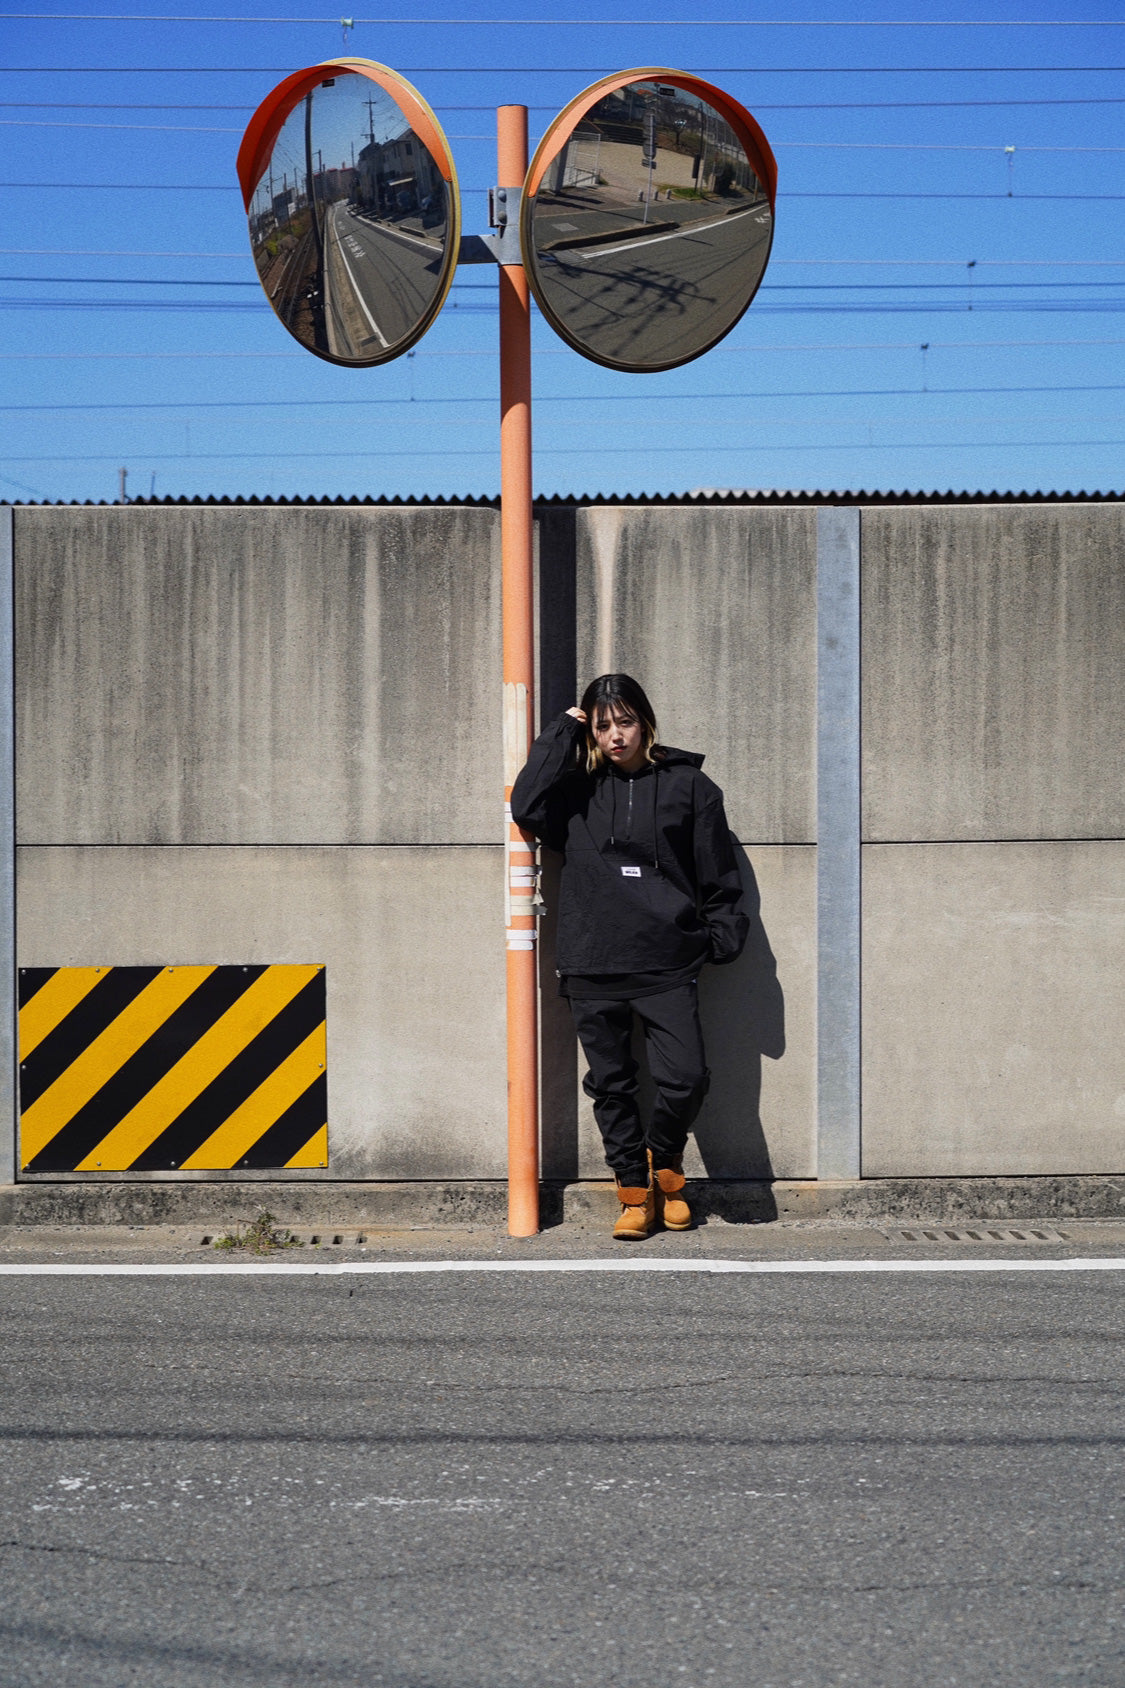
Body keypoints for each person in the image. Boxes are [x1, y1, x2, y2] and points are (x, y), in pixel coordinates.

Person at [511, 674, 748, 1240]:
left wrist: (718, 938)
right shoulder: (577, 790)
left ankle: (665, 1164)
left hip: (667, 961)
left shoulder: (690, 787)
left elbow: (718, 871)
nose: (615, 736)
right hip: (593, 960)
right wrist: (560, 732)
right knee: (612, 1085)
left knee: (686, 1078)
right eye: (602, 726)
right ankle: (634, 1193)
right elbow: (525, 803)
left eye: (625, 722)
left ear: (645, 722)